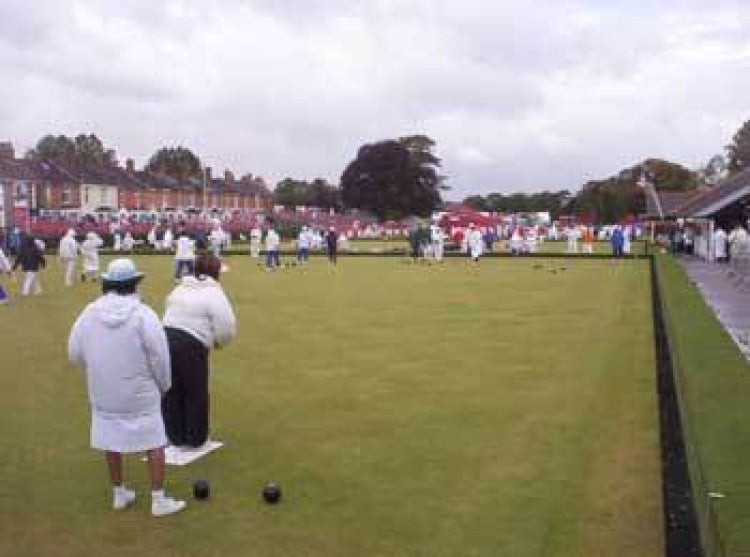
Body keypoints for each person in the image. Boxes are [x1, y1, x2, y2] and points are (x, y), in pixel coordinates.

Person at [67, 258, 186, 517]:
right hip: (140, 392)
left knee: (111, 437)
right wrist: (164, 385)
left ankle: (119, 493)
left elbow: (74, 352)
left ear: (107, 283)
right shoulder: (144, 315)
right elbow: (160, 357)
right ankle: (158, 499)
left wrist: (99, 366)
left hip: (103, 391)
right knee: (155, 441)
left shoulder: (89, 312)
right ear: (135, 284)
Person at [162, 255, 236, 449]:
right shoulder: (214, 292)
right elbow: (226, 325)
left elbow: (168, 310)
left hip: (165, 338)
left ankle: (176, 436)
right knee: (195, 392)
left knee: (172, 390)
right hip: (191, 343)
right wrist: (219, 342)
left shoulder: (179, 288)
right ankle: (196, 439)